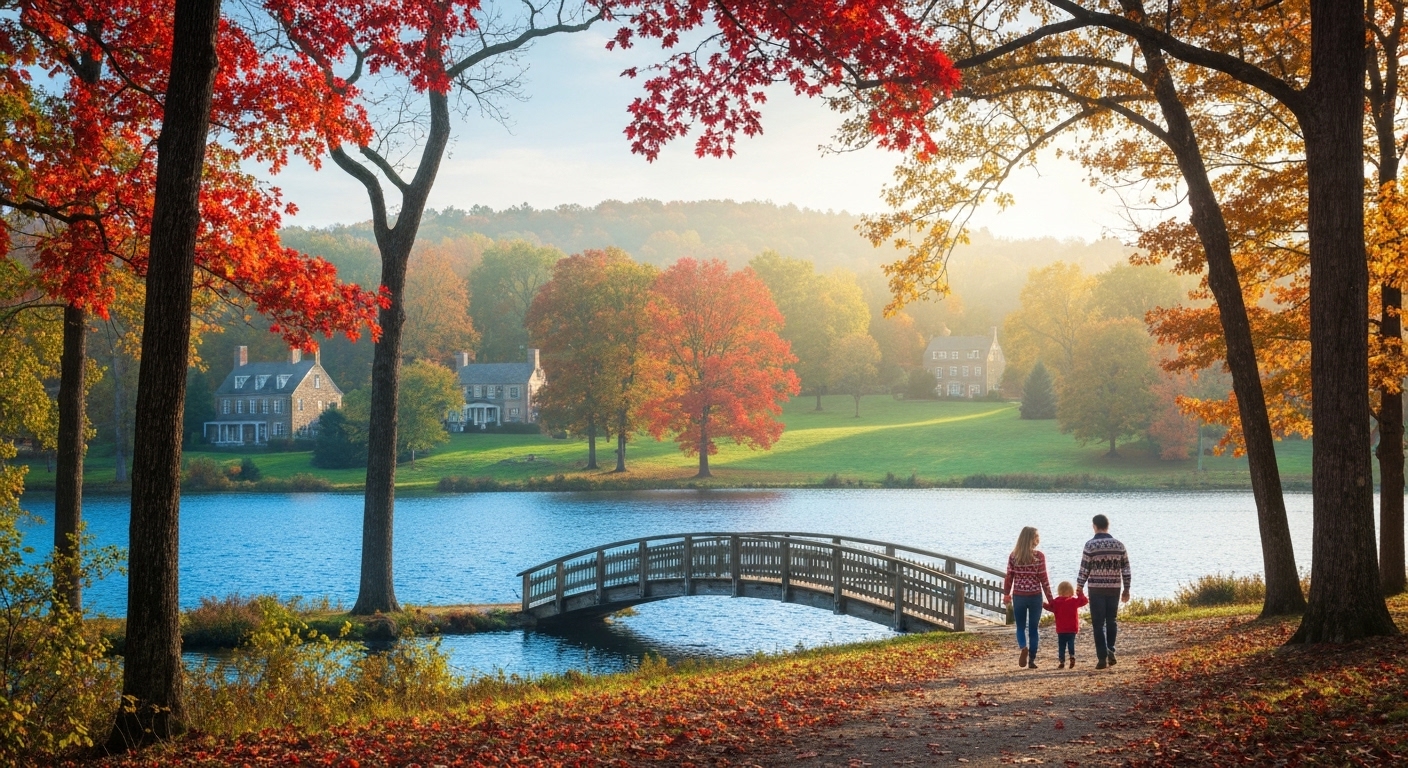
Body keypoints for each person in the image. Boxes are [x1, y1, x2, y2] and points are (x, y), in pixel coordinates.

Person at [1076, 514, 1131, 670]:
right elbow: (1126, 569)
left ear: (1094, 526)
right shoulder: (1119, 546)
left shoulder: (1090, 546)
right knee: (1111, 620)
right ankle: (1111, 649)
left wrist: (1079, 585)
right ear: (1108, 526)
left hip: (1096, 589)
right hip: (1114, 587)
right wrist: (1127, 588)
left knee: (1098, 624)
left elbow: (1084, 568)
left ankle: (1102, 657)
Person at [1003, 526, 1054, 669]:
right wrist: (1051, 601)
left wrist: (1006, 594)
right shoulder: (1039, 556)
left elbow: (1009, 577)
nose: (1039, 539)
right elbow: (1044, 580)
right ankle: (1032, 660)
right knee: (1033, 629)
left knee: (1020, 627)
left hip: (1019, 595)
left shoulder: (1014, 556)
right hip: (1035, 596)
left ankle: (1023, 648)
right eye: (1037, 536)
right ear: (1032, 539)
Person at [1044, 581, 1089, 668]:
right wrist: (1080, 593)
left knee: (1061, 645)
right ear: (1071, 592)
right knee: (1071, 643)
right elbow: (1085, 601)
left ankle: (1062, 661)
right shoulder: (1073, 601)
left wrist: (1042, 603)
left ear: (1060, 591)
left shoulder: (1056, 602)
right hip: (1072, 628)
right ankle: (1072, 656)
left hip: (1061, 629)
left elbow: (1049, 607)